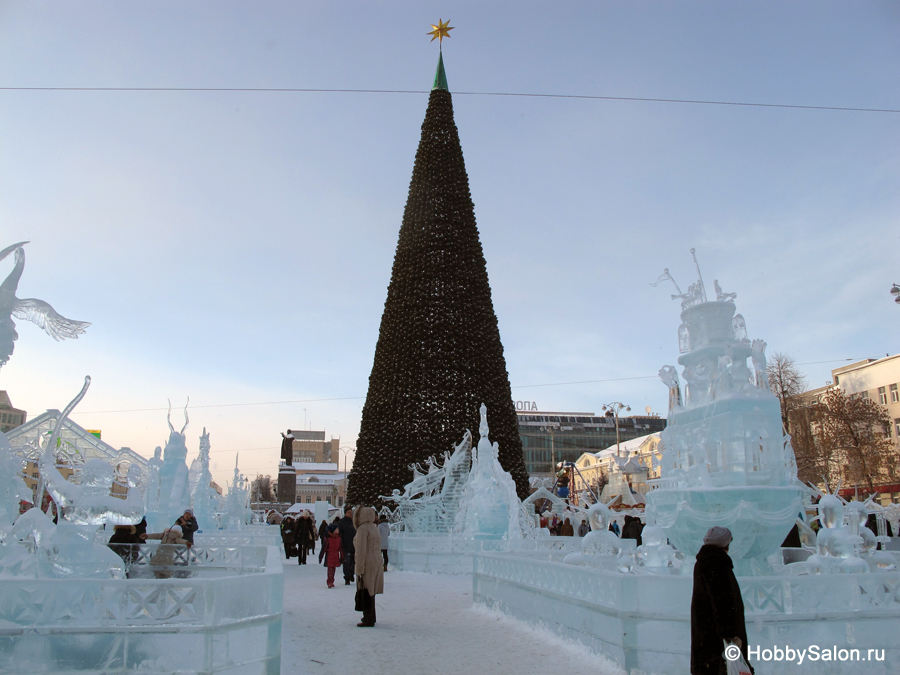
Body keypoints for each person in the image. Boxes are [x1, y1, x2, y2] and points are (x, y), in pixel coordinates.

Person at [691, 526, 753, 675]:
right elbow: (722, 602)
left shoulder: (703, 562)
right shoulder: (717, 564)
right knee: (722, 668)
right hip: (717, 637)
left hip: (706, 632)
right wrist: (731, 635)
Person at [352, 506, 384, 627]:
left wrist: (359, 568)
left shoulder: (363, 529)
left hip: (367, 561)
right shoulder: (374, 528)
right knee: (372, 590)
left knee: (366, 589)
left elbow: (360, 551)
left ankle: (368, 618)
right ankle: (372, 616)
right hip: (376, 560)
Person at [337, 506, 356, 585]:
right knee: (347, 562)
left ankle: (351, 574)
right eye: (348, 512)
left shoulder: (354, 522)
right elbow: (339, 534)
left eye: (351, 512)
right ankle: (347, 577)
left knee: (354, 562)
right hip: (345, 545)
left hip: (355, 545)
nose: (350, 513)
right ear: (345, 513)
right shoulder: (342, 522)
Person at [323, 524, 344, 588]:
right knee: (330, 569)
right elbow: (324, 548)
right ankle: (329, 581)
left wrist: (343, 556)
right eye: (336, 529)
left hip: (336, 555)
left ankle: (332, 580)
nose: (338, 530)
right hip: (330, 556)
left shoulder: (339, 538)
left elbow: (341, 548)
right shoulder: (328, 538)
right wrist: (321, 556)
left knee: (333, 569)